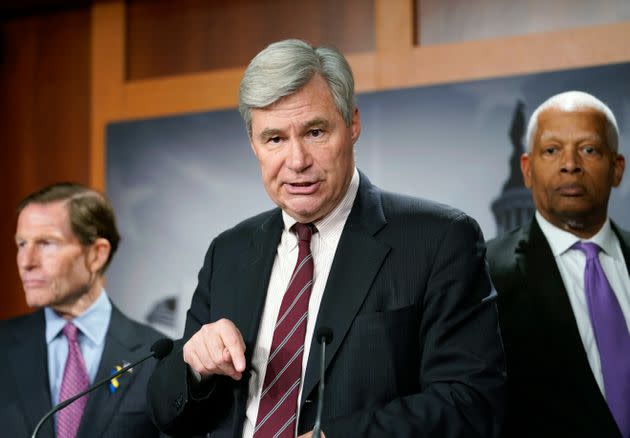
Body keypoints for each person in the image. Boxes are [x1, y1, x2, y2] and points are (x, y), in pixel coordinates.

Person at [147, 38, 505, 438]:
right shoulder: (228, 252)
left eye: (315, 132)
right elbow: (169, 415)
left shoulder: (439, 240)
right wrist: (194, 368)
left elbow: (469, 403)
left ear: (352, 124)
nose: (297, 161)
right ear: (253, 144)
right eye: (275, 139)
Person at [486, 91, 629, 438]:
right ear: (526, 169)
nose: (570, 164)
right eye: (552, 150)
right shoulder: (483, 274)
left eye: (589, 149)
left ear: (617, 168)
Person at [0, 183, 165, 437]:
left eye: (46, 243)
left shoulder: (154, 354)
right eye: (22, 244)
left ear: (96, 255)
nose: (26, 261)